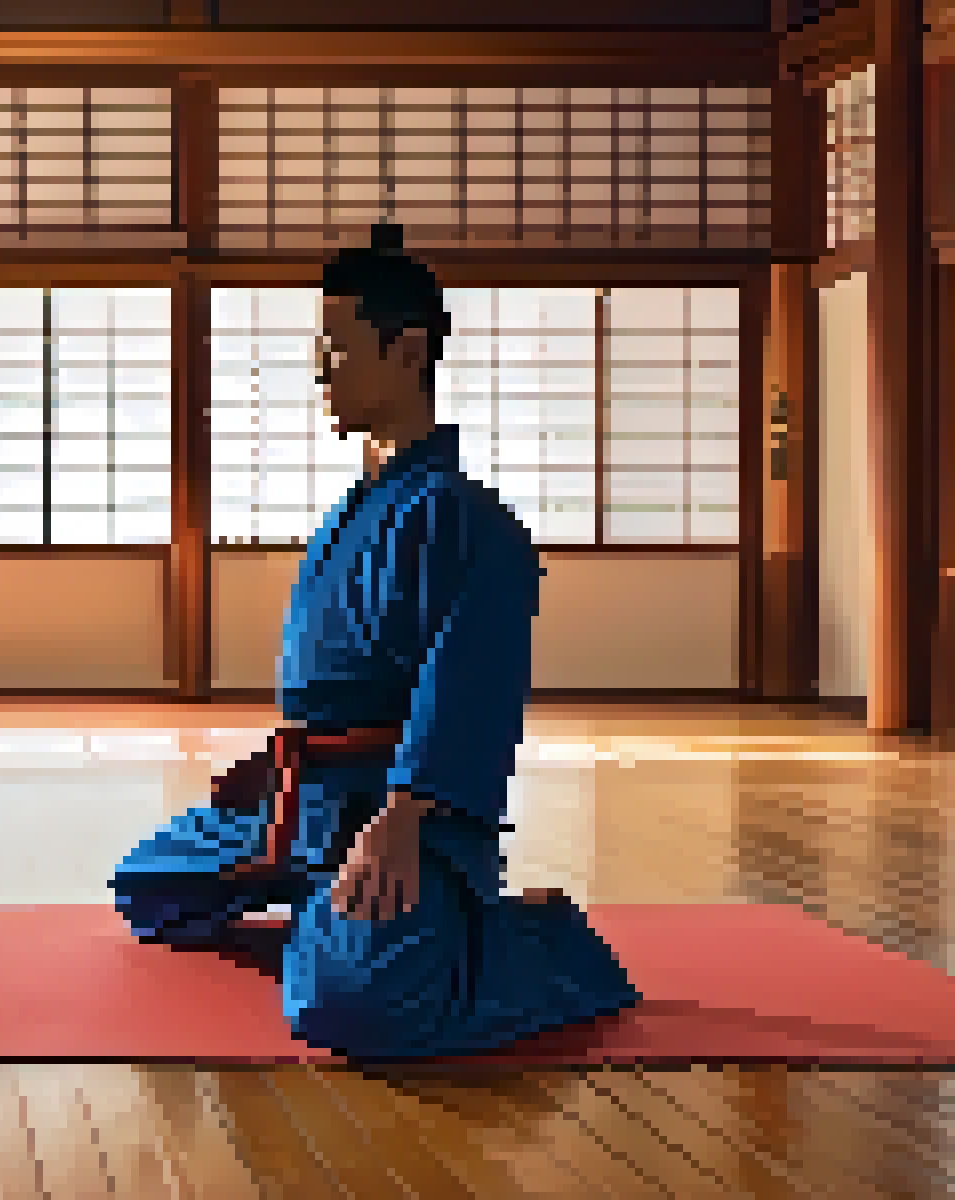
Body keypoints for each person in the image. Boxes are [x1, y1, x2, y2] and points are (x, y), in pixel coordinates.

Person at [108, 224, 641, 1060]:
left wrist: (404, 814)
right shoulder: (353, 511)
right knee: (147, 887)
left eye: (338, 349)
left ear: (406, 349)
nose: (321, 371)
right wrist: (271, 770)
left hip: (390, 807)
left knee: (353, 1009)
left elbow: (466, 690)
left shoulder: (468, 523)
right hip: (301, 800)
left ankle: (536, 943)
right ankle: (324, 899)